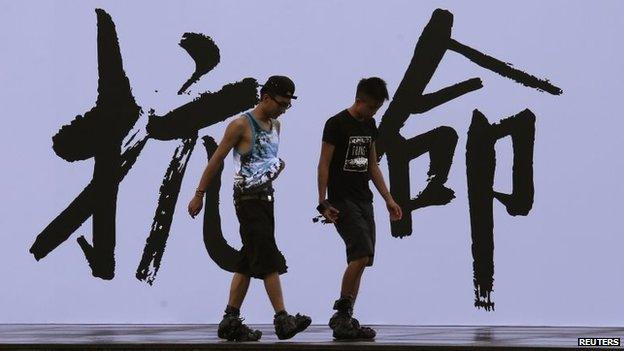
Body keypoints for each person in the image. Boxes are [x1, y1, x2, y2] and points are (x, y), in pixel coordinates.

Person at [188, 75, 311, 341]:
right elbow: (217, 160)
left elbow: (264, 161)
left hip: (266, 199)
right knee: (267, 258)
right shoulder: (241, 125)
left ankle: (230, 319)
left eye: (289, 105)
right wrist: (199, 194)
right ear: (266, 97)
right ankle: (282, 318)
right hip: (247, 201)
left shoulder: (275, 125)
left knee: (247, 260)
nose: (284, 109)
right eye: (281, 103)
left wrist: (276, 168)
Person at [317, 77, 403, 340]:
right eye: (373, 108)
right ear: (361, 101)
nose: (373, 113)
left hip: (364, 198)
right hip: (342, 199)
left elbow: (373, 164)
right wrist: (323, 202)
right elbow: (323, 163)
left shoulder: (370, 125)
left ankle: (347, 316)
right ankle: (340, 313)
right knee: (360, 253)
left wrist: (388, 198)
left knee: (364, 259)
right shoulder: (336, 123)